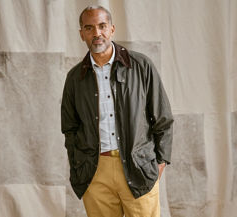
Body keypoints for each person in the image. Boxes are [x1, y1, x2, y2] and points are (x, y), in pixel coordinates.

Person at [61, 5, 174, 217]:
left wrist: (159, 162)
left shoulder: (141, 66)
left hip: (138, 166)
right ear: (81, 33)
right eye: (89, 28)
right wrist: (79, 166)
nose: (97, 33)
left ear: (112, 29)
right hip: (95, 172)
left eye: (102, 26)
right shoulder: (75, 78)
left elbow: (163, 118)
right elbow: (70, 128)